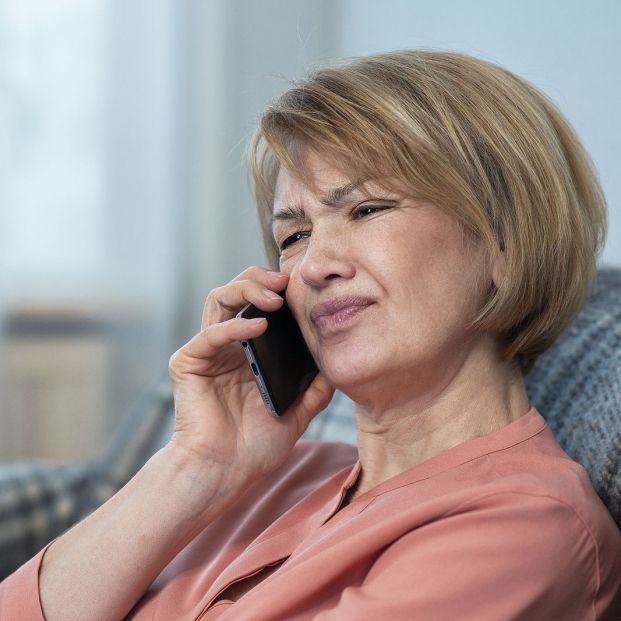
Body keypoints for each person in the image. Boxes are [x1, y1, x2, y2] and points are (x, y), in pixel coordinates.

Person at [1, 49, 620, 620]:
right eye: (293, 235)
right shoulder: (276, 475)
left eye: (366, 210)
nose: (316, 264)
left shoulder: (521, 527)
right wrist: (196, 467)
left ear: (505, 245)